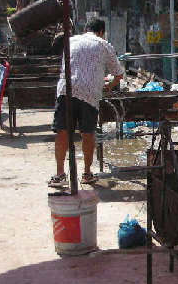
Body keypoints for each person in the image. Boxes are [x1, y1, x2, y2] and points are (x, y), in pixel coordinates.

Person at [49, 18, 124, 188]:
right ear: (101, 32)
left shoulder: (71, 41)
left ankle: (59, 174)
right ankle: (87, 173)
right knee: (87, 133)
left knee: (62, 132)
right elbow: (118, 74)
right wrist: (108, 86)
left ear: (86, 29)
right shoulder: (104, 45)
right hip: (89, 93)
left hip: (66, 89)